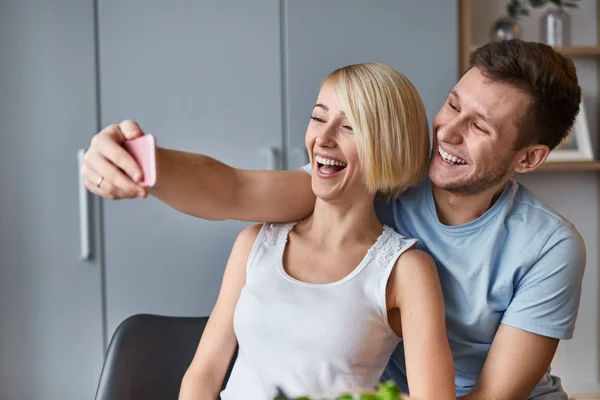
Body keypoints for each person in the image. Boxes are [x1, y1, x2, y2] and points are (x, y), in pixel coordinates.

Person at [82, 39, 586, 399]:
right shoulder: (375, 180)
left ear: (527, 158)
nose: (447, 133)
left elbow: (493, 395)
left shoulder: (548, 246)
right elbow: (233, 188)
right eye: (451, 105)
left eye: (477, 126)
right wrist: (139, 161)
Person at [178, 63, 454, 399]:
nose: (323, 139)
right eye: (319, 118)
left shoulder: (406, 271)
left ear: (388, 146)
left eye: (349, 126)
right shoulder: (254, 243)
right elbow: (203, 374)